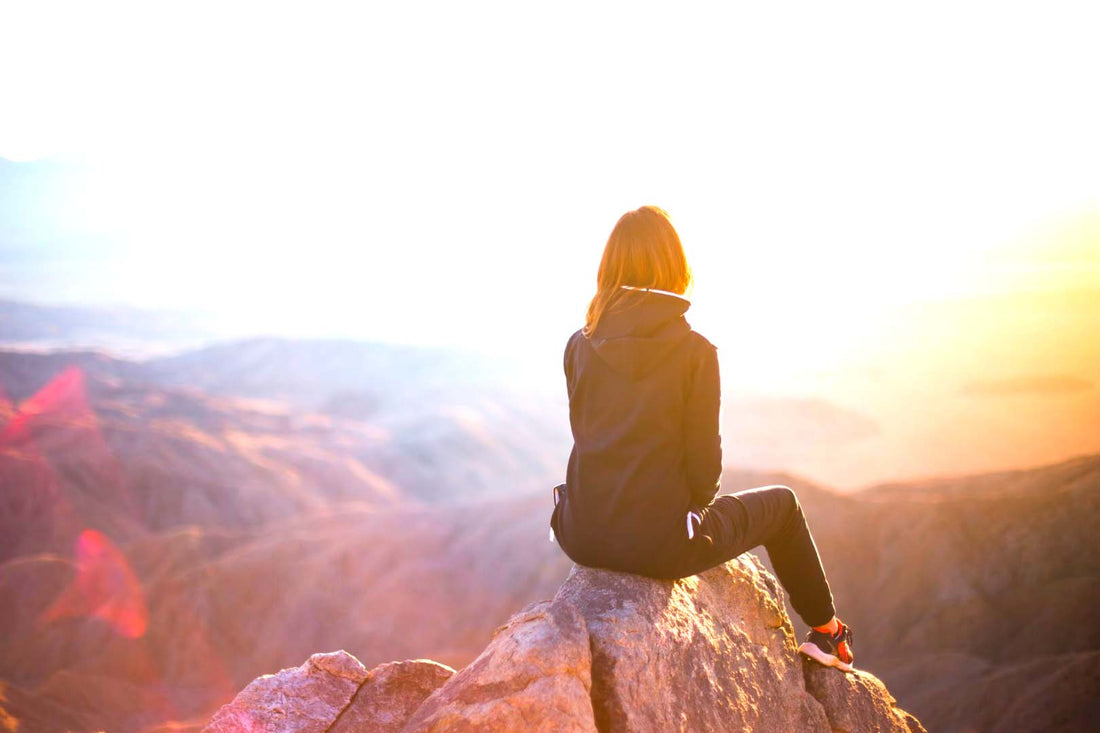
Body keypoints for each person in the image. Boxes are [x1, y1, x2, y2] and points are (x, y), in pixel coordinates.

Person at [549, 205, 854, 671]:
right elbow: (705, 474)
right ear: (674, 266)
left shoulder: (578, 343)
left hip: (580, 533)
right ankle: (828, 633)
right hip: (661, 546)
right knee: (785, 506)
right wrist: (684, 515)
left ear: (609, 268)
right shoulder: (694, 353)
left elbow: (588, 435)